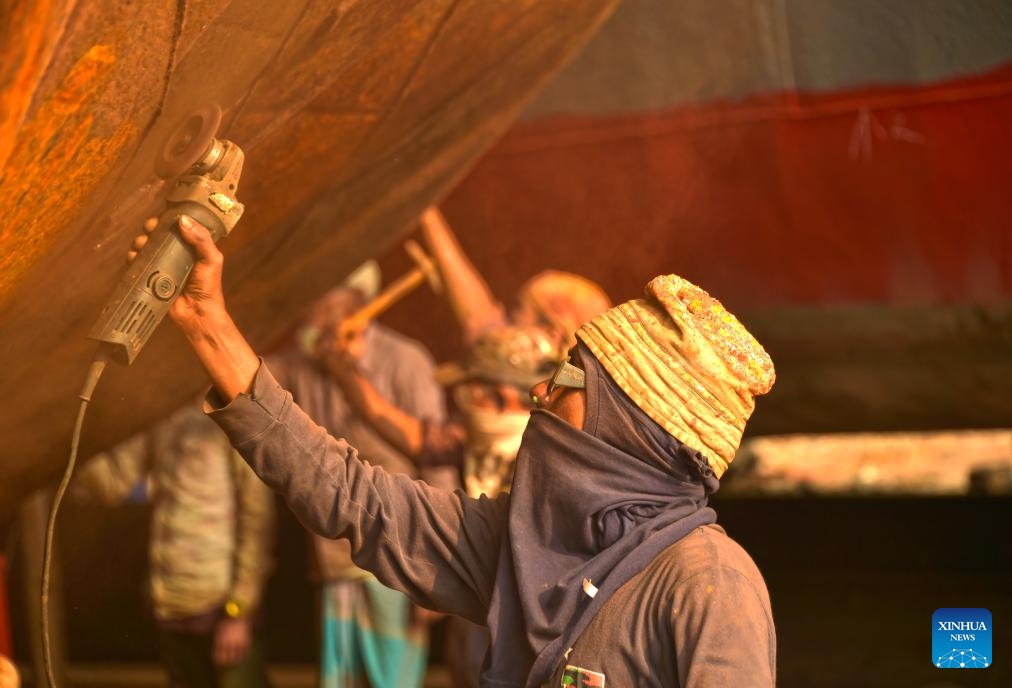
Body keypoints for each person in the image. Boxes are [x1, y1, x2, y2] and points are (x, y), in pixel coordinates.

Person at [167, 214, 777, 686]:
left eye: (566, 378)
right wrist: (206, 323)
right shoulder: (524, 542)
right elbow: (352, 495)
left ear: (627, 426)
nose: (537, 392)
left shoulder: (709, 586)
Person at [265, 262, 451, 688]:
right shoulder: (300, 366)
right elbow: (245, 379)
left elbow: (439, 467)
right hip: (335, 561)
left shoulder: (405, 361)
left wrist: (438, 570)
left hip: (402, 561)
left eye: (320, 298)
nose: (310, 311)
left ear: (354, 304)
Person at [74, 403, 276, 688]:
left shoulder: (231, 413)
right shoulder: (161, 411)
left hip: (221, 606)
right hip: (170, 600)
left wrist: (239, 613)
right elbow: (114, 482)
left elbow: (257, 519)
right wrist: (72, 440)